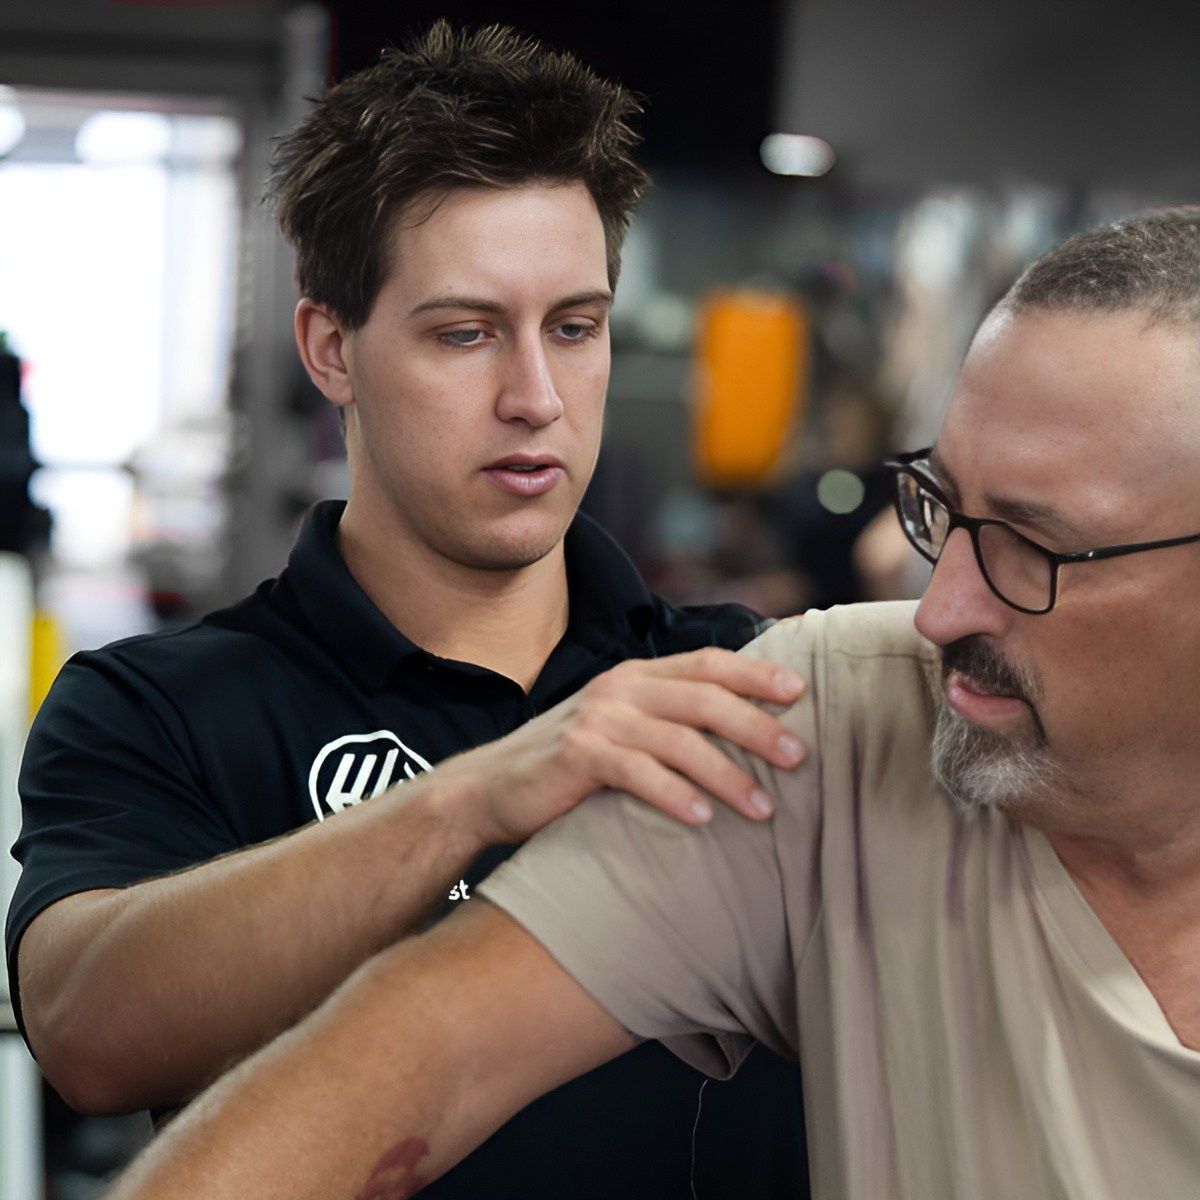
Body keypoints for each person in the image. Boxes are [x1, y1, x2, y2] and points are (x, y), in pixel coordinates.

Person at [108, 207, 1200, 1200]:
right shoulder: (829, 722)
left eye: (1035, 548)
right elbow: (403, 1061)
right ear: (331, 351)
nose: (937, 608)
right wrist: (461, 803)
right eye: (941, 508)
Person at [5, 23, 813, 1199]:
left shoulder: (742, 678)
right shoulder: (161, 708)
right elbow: (85, 1032)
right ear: (332, 346)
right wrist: (470, 800)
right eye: (466, 333)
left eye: (574, 329)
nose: (536, 397)